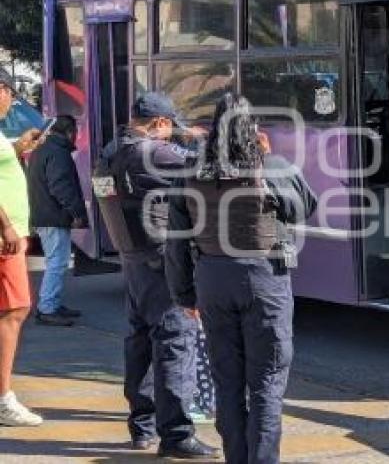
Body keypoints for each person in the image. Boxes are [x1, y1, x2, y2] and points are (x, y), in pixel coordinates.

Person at [166, 93, 316, 464]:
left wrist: (185, 296)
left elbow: (176, 243)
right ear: (253, 130)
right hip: (264, 280)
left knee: (227, 382)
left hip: (212, 280)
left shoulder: (190, 174)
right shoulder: (270, 168)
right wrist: (269, 158)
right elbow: (304, 208)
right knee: (266, 384)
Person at [99, 92, 217, 459]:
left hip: (134, 257)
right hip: (161, 260)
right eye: (170, 128)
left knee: (139, 344)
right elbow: (208, 170)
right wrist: (203, 141)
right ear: (160, 124)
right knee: (173, 345)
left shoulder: (112, 149)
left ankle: (143, 426)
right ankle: (178, 435)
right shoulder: (153, 153)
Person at [0, 69, 44, 426]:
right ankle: (3, 398)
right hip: (5, 239)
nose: (11, 99)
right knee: (14, 311)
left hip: (11, 235)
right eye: (8, 92)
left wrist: (17, 148)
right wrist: (6, 226)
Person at [27, 115, 88, 327]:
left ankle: (52, 303)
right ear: (70, 132)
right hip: (53, 217)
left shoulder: (42, 150)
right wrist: (77, 212)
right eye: (76, 133)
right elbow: (61, 187)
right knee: (57, 262)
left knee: (56, 261)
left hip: (44, 214)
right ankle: (47, 308)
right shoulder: (58, 153)